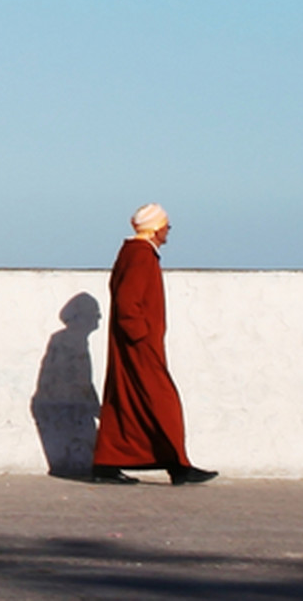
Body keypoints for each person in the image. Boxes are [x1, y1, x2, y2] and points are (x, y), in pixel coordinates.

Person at [91, 203, 218, 486]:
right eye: (167, 226)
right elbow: (128, 302)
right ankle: (178, 465)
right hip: (140, 345)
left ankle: (108, 462)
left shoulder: (133, 252)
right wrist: (142, 335)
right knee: (162, 400)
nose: (167, 232)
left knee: (126, 400)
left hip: (136, 343)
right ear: (157, 228)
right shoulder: (141, 255)